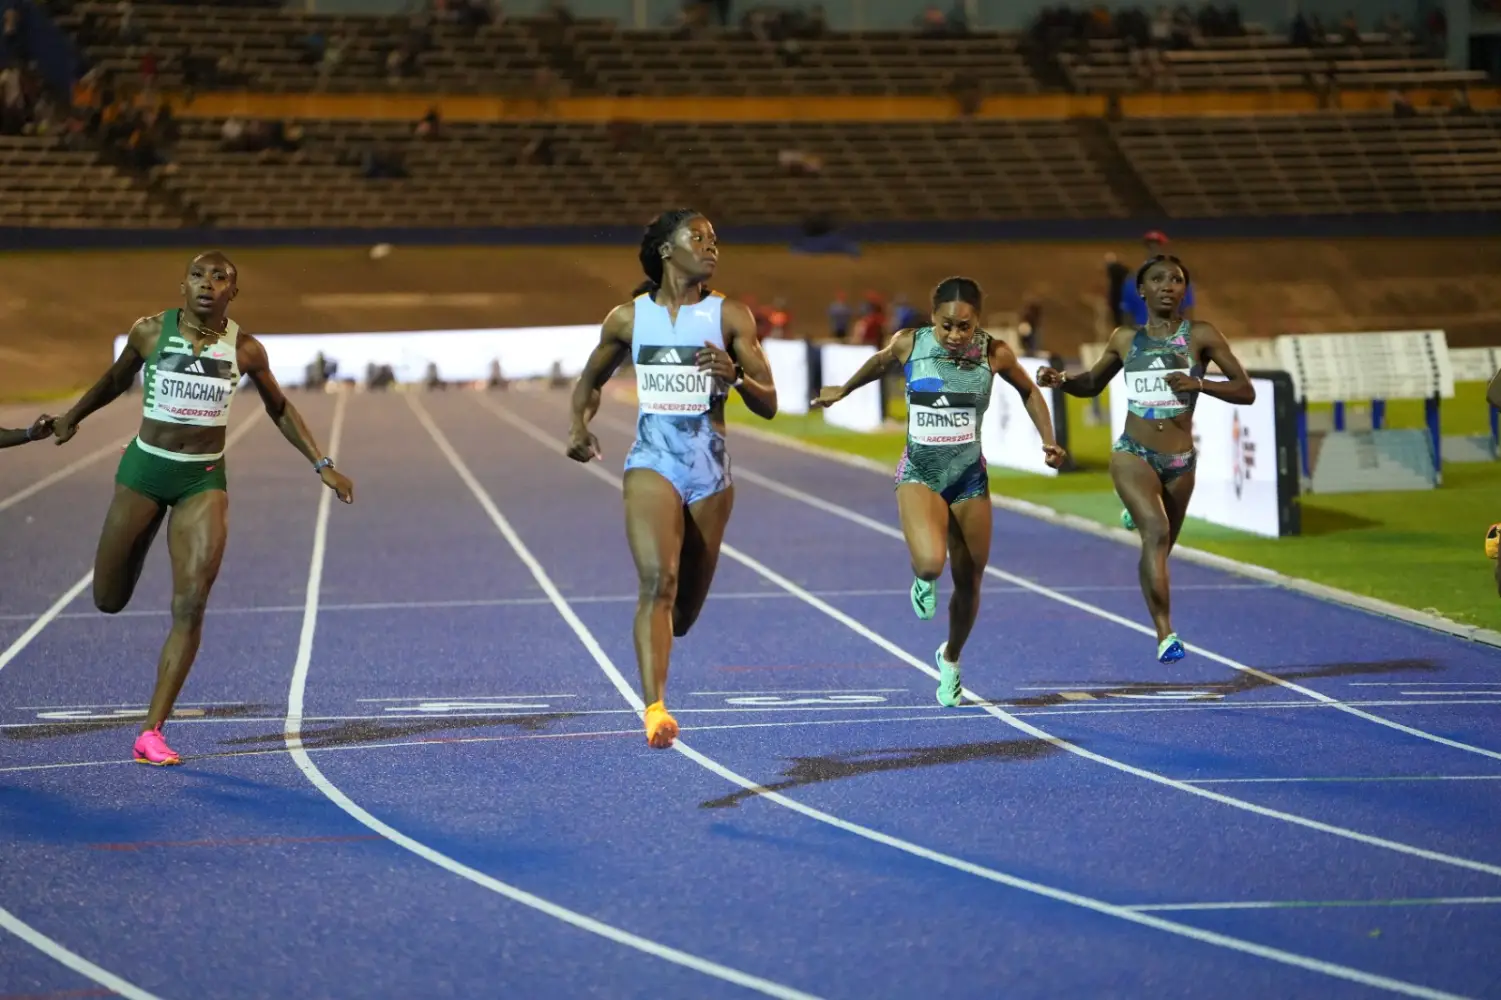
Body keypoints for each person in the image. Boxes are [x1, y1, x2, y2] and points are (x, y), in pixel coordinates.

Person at [51, 251, 355, 766]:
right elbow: (115, 379)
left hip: (202, 479)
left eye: (219, 278)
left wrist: (321, 461)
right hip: (145, 472)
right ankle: (142, 535)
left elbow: (278, 407)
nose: (207, 284)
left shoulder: (247, 350)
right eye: (198, 275)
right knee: (108, 598)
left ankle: (151, 732)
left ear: (233, 293)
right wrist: (72, 416)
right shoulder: (149, 333)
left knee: (191, 602)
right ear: (183, 285)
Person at [566, 209, 777, 749]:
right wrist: (577, 425)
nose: (712, 248)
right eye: (698, 238)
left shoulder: (730, 315)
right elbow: (589, 381)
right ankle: (655, 709)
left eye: (715, 239)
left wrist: (739, 379)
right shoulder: (628, 319)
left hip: (711, 472)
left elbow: (770, 402)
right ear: (666, 250)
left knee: (681, 616)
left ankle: (663, 652)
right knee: (657, 582)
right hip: (652, 461)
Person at [811, 277, 1066, 707]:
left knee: (971, 579)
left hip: (969, 479)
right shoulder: (911, 343)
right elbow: (879, 361)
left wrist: (1049, 439)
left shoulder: (993, 352)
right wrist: (843, 390)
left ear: (977, 322)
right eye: (947, 325)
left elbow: (1028, 390)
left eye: (964, 326)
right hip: (920, 473)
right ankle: (922, 577)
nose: (954, 335)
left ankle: (949, 659)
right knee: (932, 563)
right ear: (933, 318)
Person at [1037, 255, 1253, 663]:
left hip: (1180, 460)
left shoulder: (1201, 335)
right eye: (1158, 279)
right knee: (1155, 532)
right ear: (1142, 290)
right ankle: (1165, 634)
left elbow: (1246, 389)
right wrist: (1062, 379)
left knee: (1163, 544)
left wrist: (1199, 383)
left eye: (1177, 280)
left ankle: (1137, 515)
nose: (1169, 286)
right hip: (1132, 452)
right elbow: (1091, 383)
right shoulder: (1125, 338)